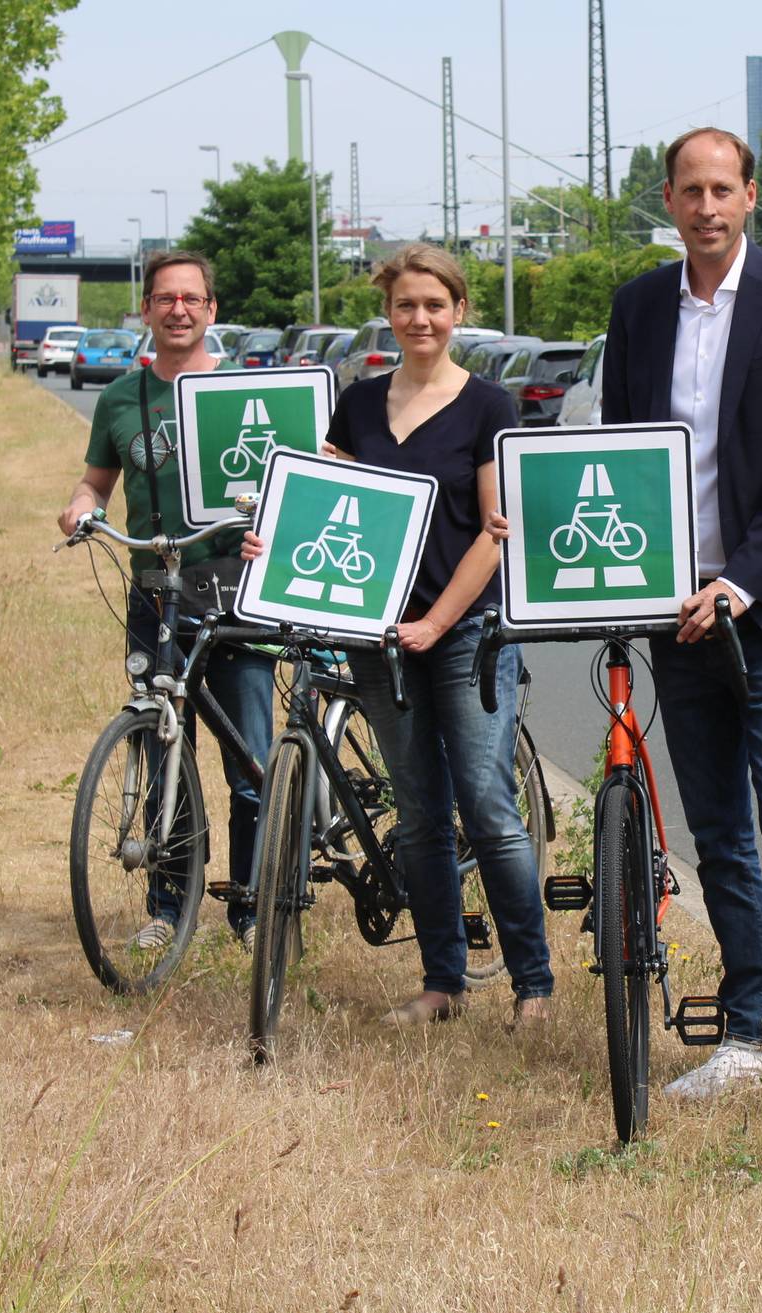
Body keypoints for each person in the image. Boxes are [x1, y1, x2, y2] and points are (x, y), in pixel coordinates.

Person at [599, 127, 762, 1134]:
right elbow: (620, 452)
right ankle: (748, 1033)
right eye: (689, 190)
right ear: (668, 200)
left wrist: (741, 583)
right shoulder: (640, 306)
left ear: (751, 196)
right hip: (676, 611)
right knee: (720, 838)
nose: (706, 206)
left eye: (722, 189)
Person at [242, 243, 552, 1029]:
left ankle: (533, 983)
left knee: (486, 804)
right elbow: (330, 505)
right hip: (375, 636)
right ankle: (442, 980)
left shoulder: (489, 408)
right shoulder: (356, 403)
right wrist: (273, 539)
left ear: (459, 312)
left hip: (463, 632)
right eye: (407, 304)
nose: (421, 318)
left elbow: (494, 534)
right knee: (417, 811)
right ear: (389, 311)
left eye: (435, 305)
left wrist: (436, 622)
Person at [56, 250, 272, 952]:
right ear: (146, 311)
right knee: (158, 747)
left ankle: (250, 907)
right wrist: (80, 506)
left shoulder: (247, 395)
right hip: (156, 595)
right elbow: (97, 480)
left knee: (250, 761)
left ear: (211, 311)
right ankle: (167, 904)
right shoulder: (121, 398)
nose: (178, 309)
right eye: (164, 298)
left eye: (192, 298)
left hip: (234, 593)